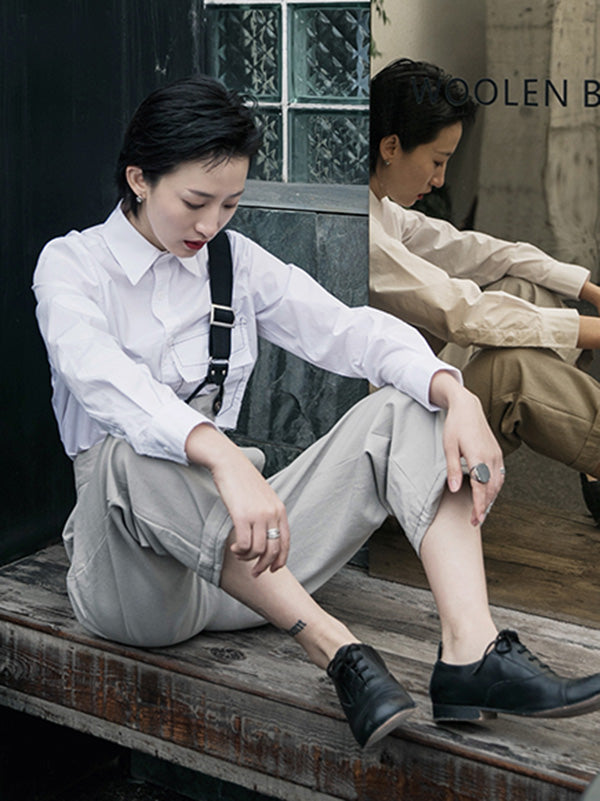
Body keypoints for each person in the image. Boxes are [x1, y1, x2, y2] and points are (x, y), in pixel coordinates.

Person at [33, 75, 600, 749]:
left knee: (409, 404)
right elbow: (102, 378)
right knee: (126, 453)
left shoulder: (232, 262)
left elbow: (346, 330)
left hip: (248, 569)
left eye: (230, 204)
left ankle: (471, 655)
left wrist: (456, 394)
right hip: (136, 587)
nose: (211, 225)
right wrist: (222, 457)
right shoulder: (71, 266)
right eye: (195, 202)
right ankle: (336, 649)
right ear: (139, 179)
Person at [369, 57, 600, 524]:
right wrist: (591, 330)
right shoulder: (367, 234)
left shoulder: (383, 209)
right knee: (513, 371)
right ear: (391, 147)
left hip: (411, 400)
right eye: (437, 161)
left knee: (523, 288)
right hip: (387, 456)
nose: (440, 179)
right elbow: (463, 315)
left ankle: (584, 439)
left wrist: (590, 291)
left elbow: (482, 251)